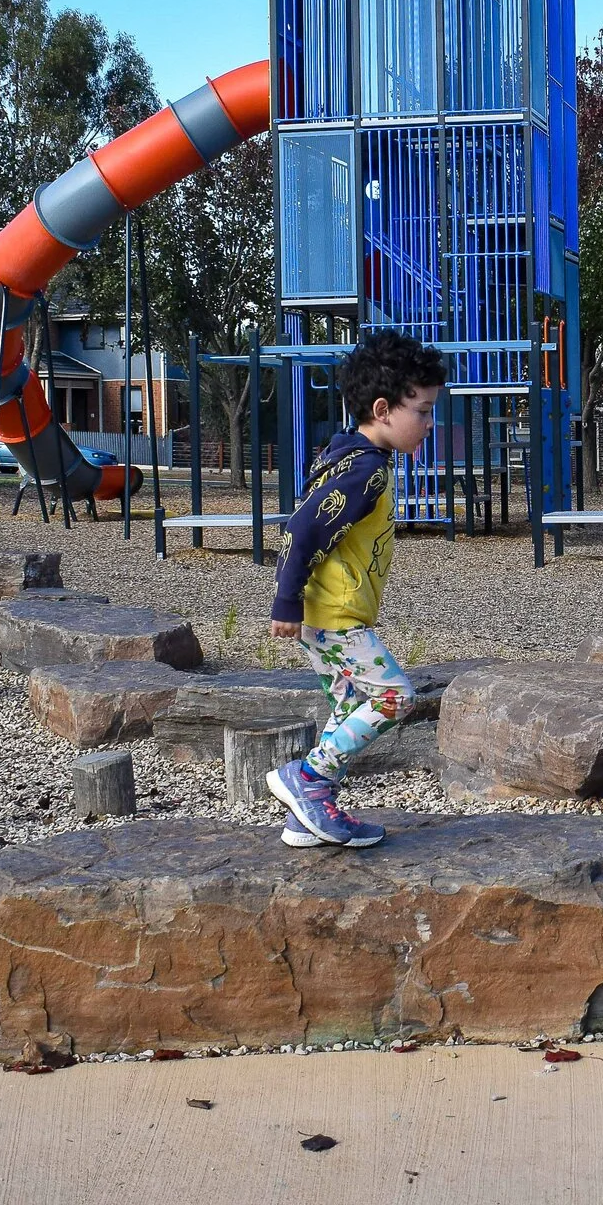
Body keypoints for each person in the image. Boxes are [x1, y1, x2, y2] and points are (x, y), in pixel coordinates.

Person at [264, 331, 446, 848]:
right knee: (393, 698)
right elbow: (302, 528)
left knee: (348, 709)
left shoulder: (349, 455)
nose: (429, 425)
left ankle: (307, 818)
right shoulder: (365, 471)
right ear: (384, 408)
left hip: (329, 617)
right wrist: (286, 601)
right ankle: (310, 779)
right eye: (424, 411)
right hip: (336, 619)